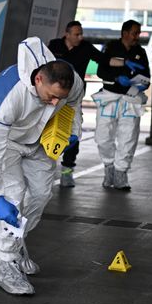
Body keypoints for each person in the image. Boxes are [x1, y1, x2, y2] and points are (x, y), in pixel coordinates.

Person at [0, 37, 84, 295]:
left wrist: (72, 131)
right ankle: (6, 264)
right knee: (13, 194)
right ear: (38, 79)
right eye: (52, 97)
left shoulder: (70, 82)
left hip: (36, 133)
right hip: (0, 136)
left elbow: (73, 105)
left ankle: (16, 242)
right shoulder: (9, 97)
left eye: (59, 98)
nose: (55, 102)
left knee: (41, 193)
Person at [94, 20, 150, 190]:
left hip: (130, 99)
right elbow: (101, 70)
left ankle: (121, 174)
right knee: (103, 137)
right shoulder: (110, 47)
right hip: (109, 97)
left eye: (138, 33)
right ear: (124, 33)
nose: (137, 37)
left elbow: (146, 75)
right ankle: (109, 168)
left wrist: (143, 84)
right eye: (135, 33)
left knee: (128, 137)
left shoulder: (140, 51)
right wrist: (117, 78)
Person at [47, 20, 104, 187]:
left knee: (73, 132)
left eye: (81, 34)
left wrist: (123, 64)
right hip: (52, 97)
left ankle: (67, 171)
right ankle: (45, 168)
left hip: (73, 98)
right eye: (77, 34)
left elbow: (103, 60)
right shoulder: (55, 45)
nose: (80, 37)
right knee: (47, 129)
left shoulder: (85, 47)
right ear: (67, 34)